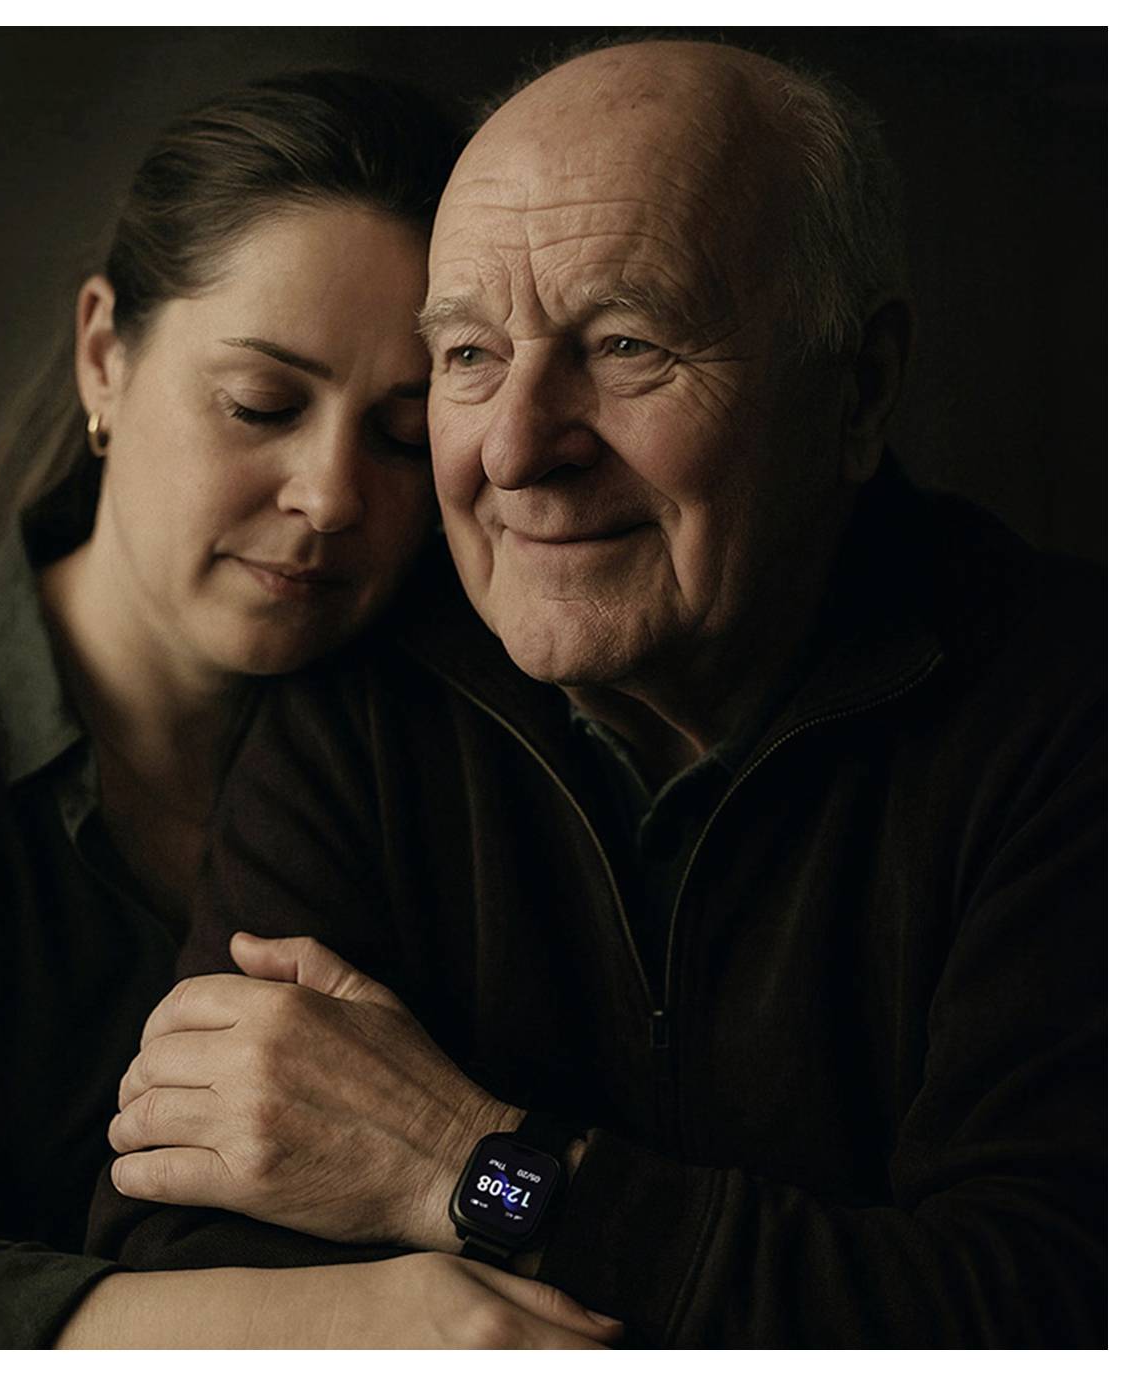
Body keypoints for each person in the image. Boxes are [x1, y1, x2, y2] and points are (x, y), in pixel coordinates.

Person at [93, 40, 1107, 1346]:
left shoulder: (1074, 707)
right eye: (463, 357)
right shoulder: (365, 697)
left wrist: (461, 1165)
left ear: (853, 386)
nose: (514, 449)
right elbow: (181, 1239)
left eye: (623, 343)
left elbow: (1037, 1314)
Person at [0, 70, 623, 1350]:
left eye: (404, 434)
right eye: (261, 404)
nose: (331, 495)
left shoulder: (440, 741)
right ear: (103, 356)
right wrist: (351, 1319)